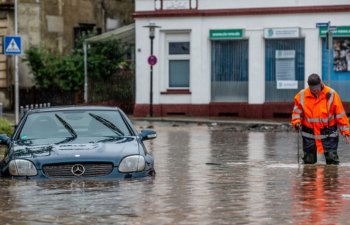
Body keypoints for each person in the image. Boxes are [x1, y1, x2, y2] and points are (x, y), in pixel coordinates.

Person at [291, 73, 350, 164]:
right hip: (309, 134)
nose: (315, 91)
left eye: (317, 88)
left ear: (321, 83)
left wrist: (346, 133)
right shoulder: (301, 95)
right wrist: (296, 122)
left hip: (329, 134)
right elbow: (296, 113)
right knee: (309, 163)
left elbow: (340, 115)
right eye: (312, 89)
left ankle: (332, 177)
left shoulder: (331, 94)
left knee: (332, 161)